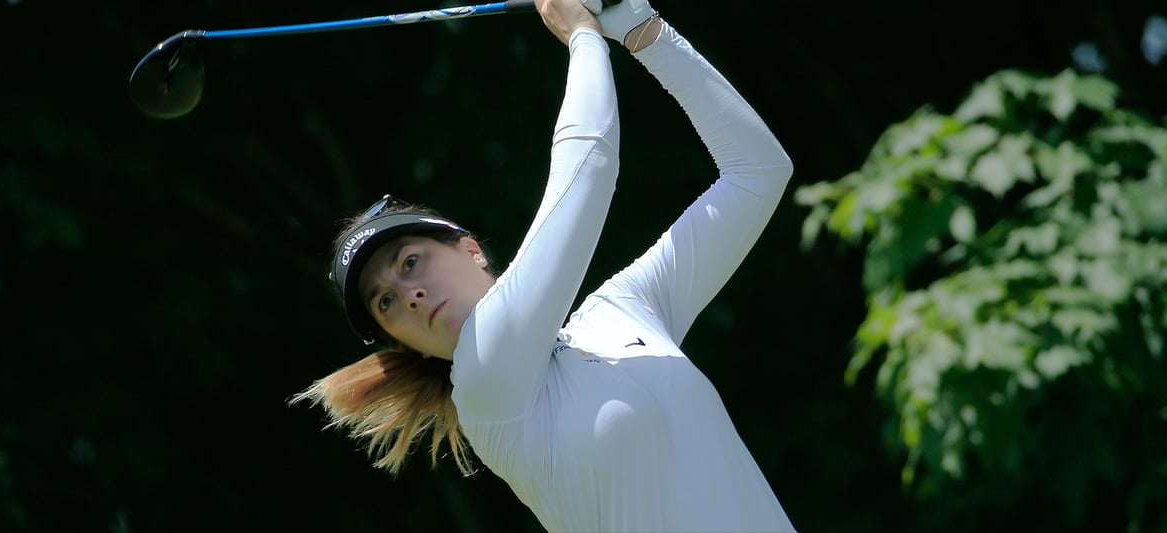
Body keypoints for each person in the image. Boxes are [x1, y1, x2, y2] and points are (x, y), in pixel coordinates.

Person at [294, 0, 796, 530]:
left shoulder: (622, 312)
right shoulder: (485, 384)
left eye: (411, 262)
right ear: (404, 344)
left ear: (470, 249)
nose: (409, 295)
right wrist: (581, 34)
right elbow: (589, 166)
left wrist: (642, 29)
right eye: (385, 302)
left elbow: (758, 172)